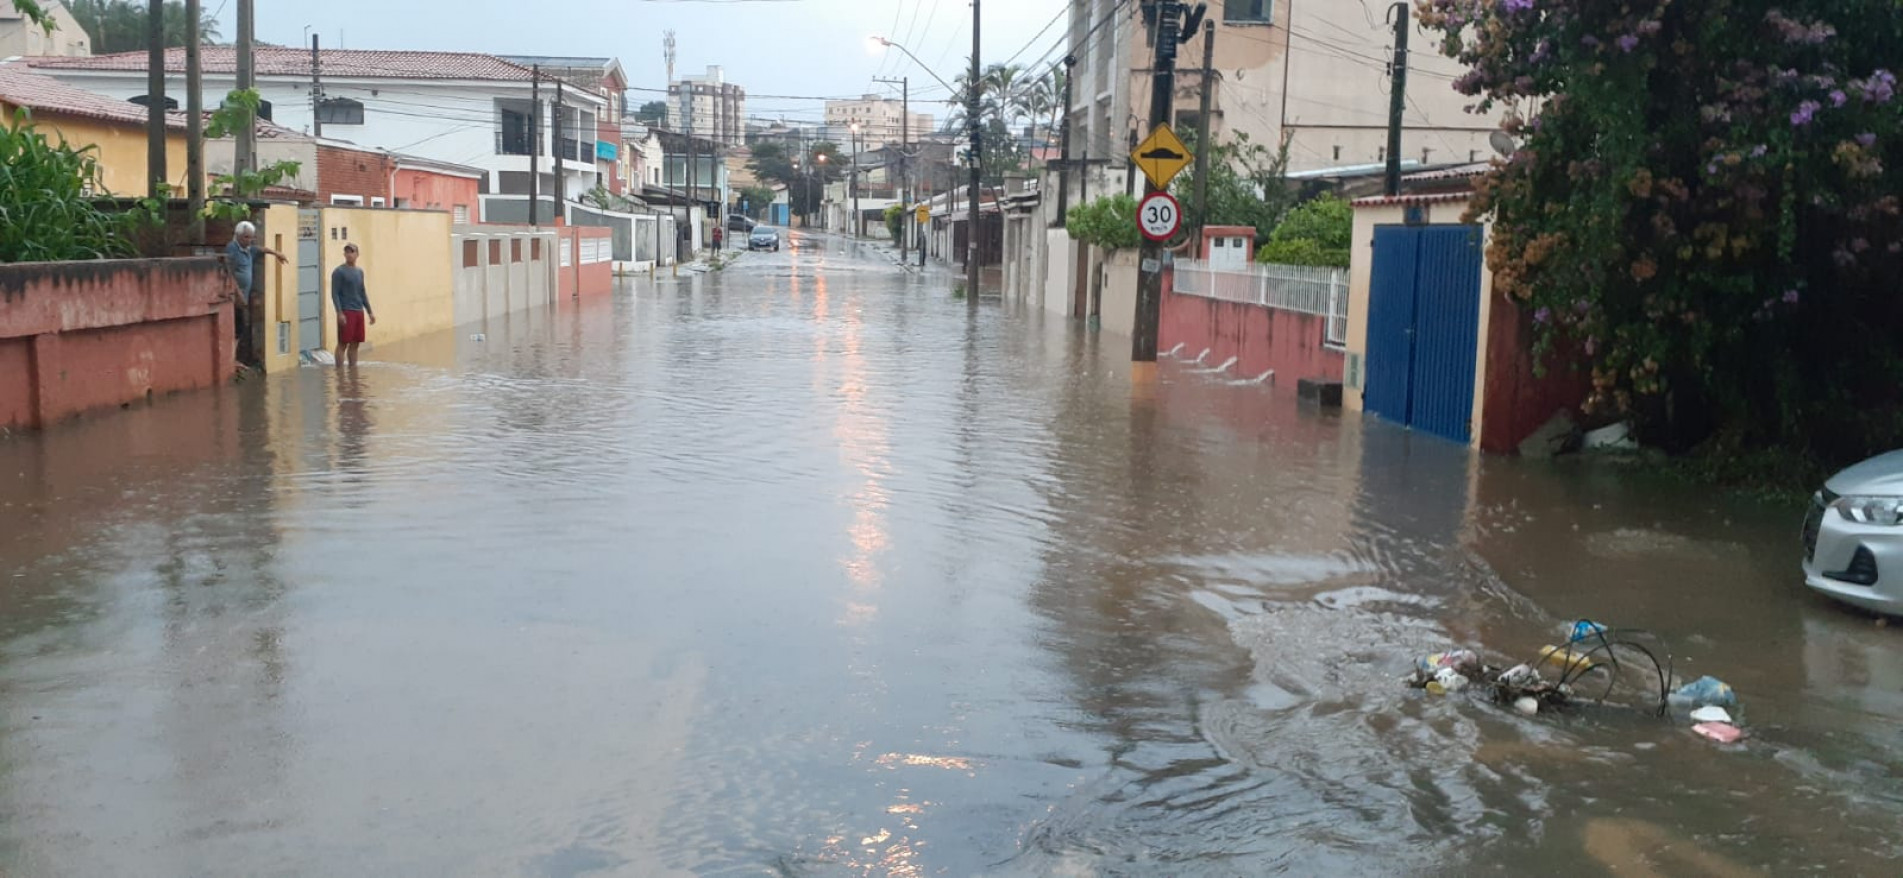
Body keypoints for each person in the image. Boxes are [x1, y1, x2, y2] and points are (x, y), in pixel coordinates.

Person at [225, 221, 286, 366]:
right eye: (246, 237)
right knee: (235, 329)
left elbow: (260, 249)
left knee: (240, 329)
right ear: (238, 235)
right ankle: (231, 361)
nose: (249, 240)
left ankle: (234, 359)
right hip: (233, 299)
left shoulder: (248, 249)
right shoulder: (232, 249)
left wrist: (276, 253)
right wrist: (238, 293)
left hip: (243, 299)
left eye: (251, 237)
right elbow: (228, 273)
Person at [330, 243, 376, 367]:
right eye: (347, 252)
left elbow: (362, 292)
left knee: (355, 343)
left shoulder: (359, 272)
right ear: (344, 254)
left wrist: (370, 312)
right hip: (346, 311)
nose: (349, 254)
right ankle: (339, 371)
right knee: (343, 343)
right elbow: (334, 294)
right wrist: (339, 312)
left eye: (352, 252)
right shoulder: (339, 272)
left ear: (357, 254)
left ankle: (352, 370)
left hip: (358, 311)